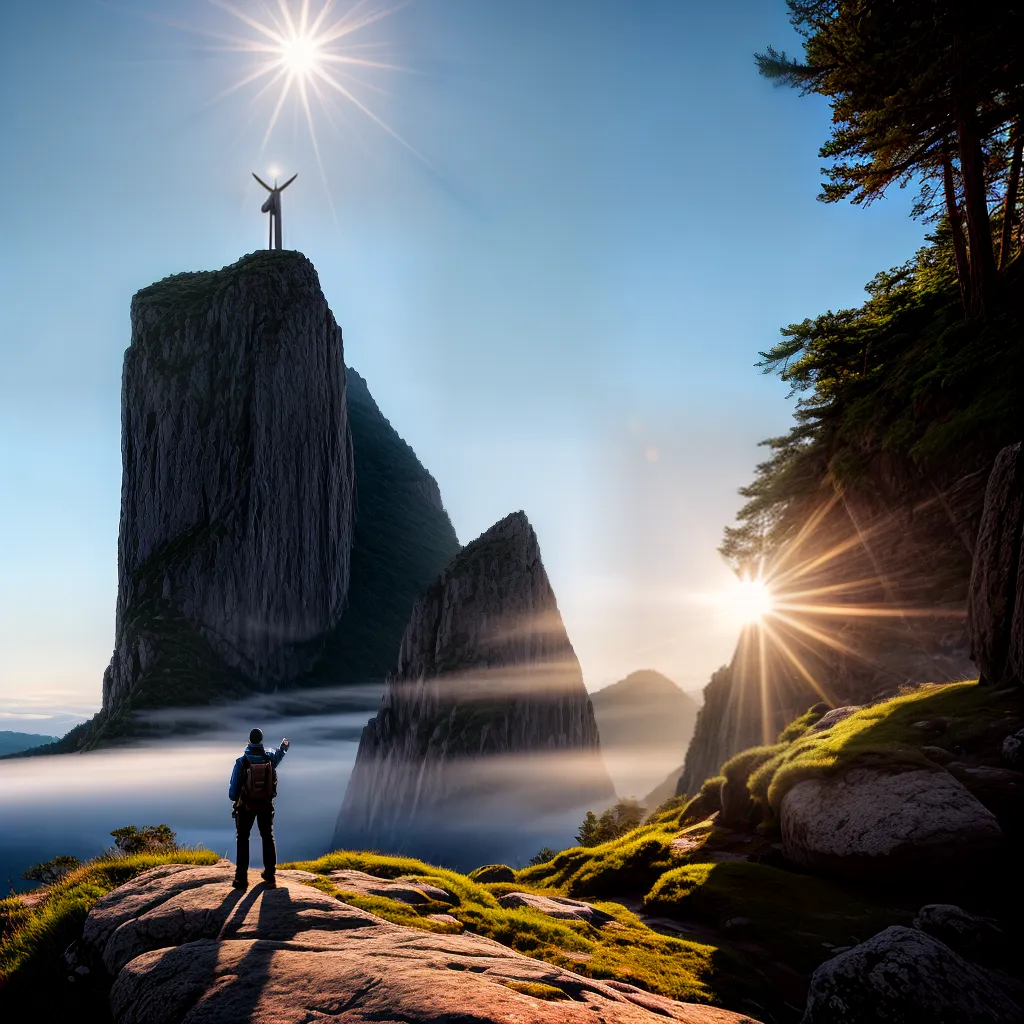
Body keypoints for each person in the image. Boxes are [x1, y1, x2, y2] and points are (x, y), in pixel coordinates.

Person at [228, 728, 289, 889]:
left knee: (242, 838)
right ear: (261, 741)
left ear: (249, 741)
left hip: (246, 806)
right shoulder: (268, 758)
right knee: (267, 836)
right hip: (266, 805)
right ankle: (270, 875)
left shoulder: (242, 762)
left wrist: (238, 798)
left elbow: (233, 793)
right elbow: (278, 756)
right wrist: (283, 747)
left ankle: (241, 878)